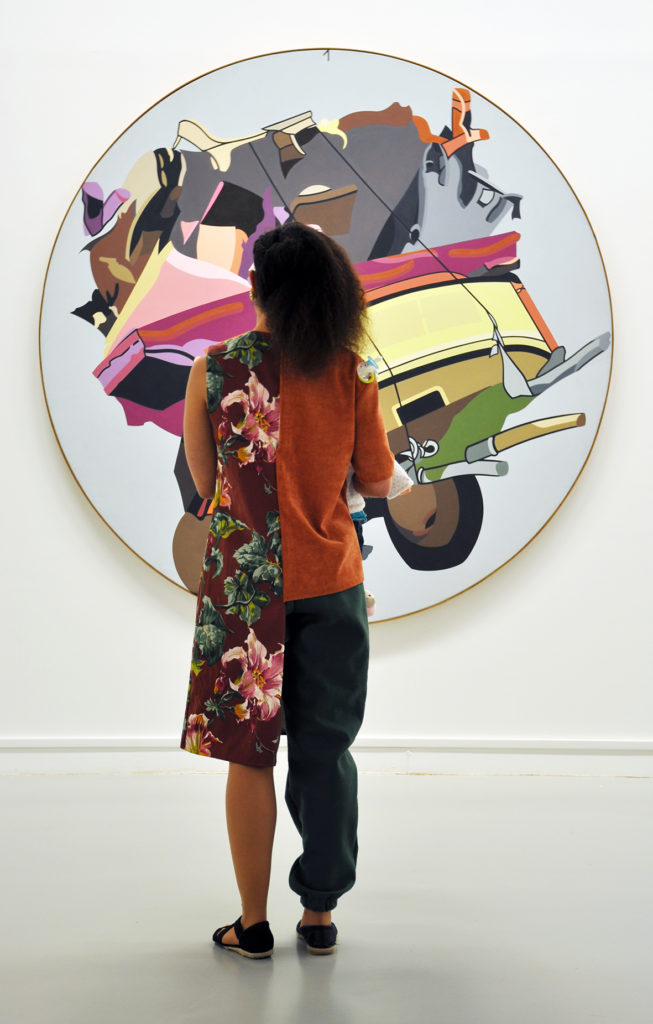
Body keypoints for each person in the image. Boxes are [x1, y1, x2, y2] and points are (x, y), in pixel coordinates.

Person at [180, 221, 394, 958]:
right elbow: (377, 480)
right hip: (331, 583)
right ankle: (319, 914)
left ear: (257, 288)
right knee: (325, 748)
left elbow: (205, 484)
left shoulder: (213, 369)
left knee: (249, 755)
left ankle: (252, 922)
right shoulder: (352, 372)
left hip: (244, 588)